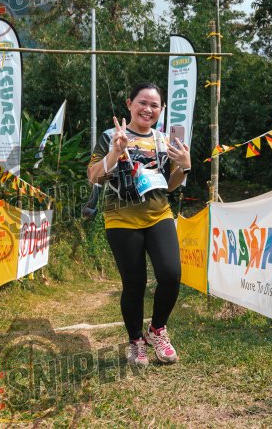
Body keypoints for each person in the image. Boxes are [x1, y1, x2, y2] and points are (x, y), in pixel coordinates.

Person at [87, 82, 191, 366]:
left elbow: (169, 185)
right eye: (142, 103)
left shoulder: (164, 141)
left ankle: (157, 330)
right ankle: (136, 341)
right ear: (129, 104)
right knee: (134, 283)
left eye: (154, 105)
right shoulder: (110, 136)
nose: (148, 109)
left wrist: (184, 166)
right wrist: (115, 151)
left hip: (159, 215)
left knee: (171, 274)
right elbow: (94, 176)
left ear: (162, 109)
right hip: (121, 218)